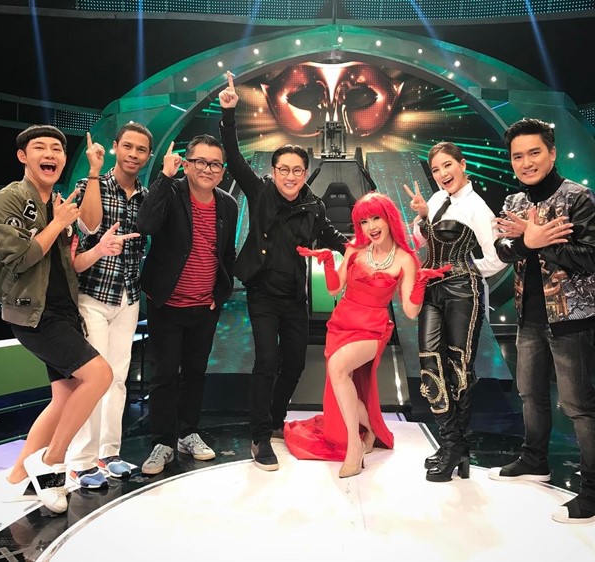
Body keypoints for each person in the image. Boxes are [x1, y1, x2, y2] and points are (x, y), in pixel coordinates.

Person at [218, 71, 349, 471]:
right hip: (262, 293)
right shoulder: (259, 192)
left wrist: (363, 250)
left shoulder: (314, 207)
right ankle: (260, 436)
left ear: (305, 172)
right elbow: (233, 157)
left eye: (297, 170)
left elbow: (334, 239)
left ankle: (275, 419)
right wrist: (229, 114)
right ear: (273, 171)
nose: (290, 176)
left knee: (294, 364)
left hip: (294, 297)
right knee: (266, 361)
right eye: (283, 169)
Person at [284, 193, 449, 477]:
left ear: (389, 218)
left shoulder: (405, 259)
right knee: (340, 377)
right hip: (342, 324)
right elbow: (334, 289)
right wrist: (328, 262)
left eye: (375, 218)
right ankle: (370, 430)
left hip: (373, 328)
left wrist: (420, 284)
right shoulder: (354, 249)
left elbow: (411, 311)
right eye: (363, 221)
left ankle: (354, 446)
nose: (370, 226)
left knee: (337, 368)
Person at [0, 125, 115, 513]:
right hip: (35, 313)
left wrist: (99, 250)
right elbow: (19, 259)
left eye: (57, 149)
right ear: (22, 156)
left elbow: (69, 266)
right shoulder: (9, 200)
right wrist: (58, 222)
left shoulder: (58, 203)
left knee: (63, 398)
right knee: (100, 375)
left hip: (63, 311)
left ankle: (17, 477)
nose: (50, 154)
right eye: (40, 148)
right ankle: (50, 462)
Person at [489, 118, 595, 524]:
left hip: (572, 316)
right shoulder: (514, 201)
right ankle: (535, 460)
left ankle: (593, 490)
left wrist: (539, 243)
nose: (526, 162)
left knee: (579, 406)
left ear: (552, 153)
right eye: (518, 156)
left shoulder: (578, 198)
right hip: (528, 315)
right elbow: (502, 249)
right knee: (530, 393)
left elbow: (590, 258)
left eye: (534, 152)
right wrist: (525, 241)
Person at [405, 141, 507, 482]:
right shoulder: (436, 200)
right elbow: (424, 243)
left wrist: (464, 271)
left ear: (462, 164)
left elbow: (496, 258)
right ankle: (453, 444)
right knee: (430, 365)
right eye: (436, 169)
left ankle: (453, 449)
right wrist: (423, 216)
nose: (442, 174)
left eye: (447, 165)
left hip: (463, 291)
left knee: (458, 367)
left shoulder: (478, 207)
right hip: (432, 290)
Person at [136, 135, 238, 476]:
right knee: (165, 375)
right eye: (200, 162)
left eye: (215, 164)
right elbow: (145, 225)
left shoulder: (227, 204)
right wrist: (164, 177)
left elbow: (226, 253)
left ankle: (188, 433)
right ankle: (162, 442)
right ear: (187, 164)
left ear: (222, 170)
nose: (208, 169)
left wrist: (219, 295)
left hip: (204, 307)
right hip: (167, 303)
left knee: (195, 373)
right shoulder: (171, 191)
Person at [66, 123, 152, 489]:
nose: (133, 154)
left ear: (148, 156)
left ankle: (109, 453)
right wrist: (93, 171)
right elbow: (87, 226)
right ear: (115, 147)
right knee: (93, 378)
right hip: (93, 295)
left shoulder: (147, 196)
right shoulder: (92, 184)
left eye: (141, 149)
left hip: (128, 297)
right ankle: (81, 460)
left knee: (117, 378)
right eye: (127, 146)